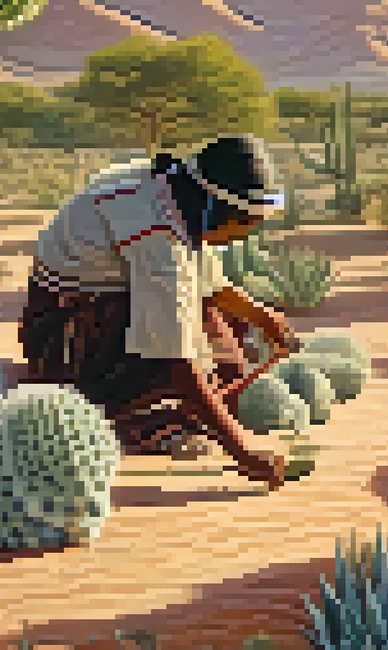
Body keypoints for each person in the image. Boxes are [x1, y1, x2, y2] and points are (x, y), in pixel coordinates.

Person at [20, 132, 300, 490]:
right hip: (66, 337)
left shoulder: (172, 190)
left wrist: (261, 316)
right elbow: (177, 359)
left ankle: (151, 414)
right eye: (245, 224)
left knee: (229, 348)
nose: (245, 235)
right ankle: (122, 415)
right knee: (194, 360)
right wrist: (244, 453)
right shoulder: (157, 236)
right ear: (215, 209)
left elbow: (204, 280)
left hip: (103, 304)